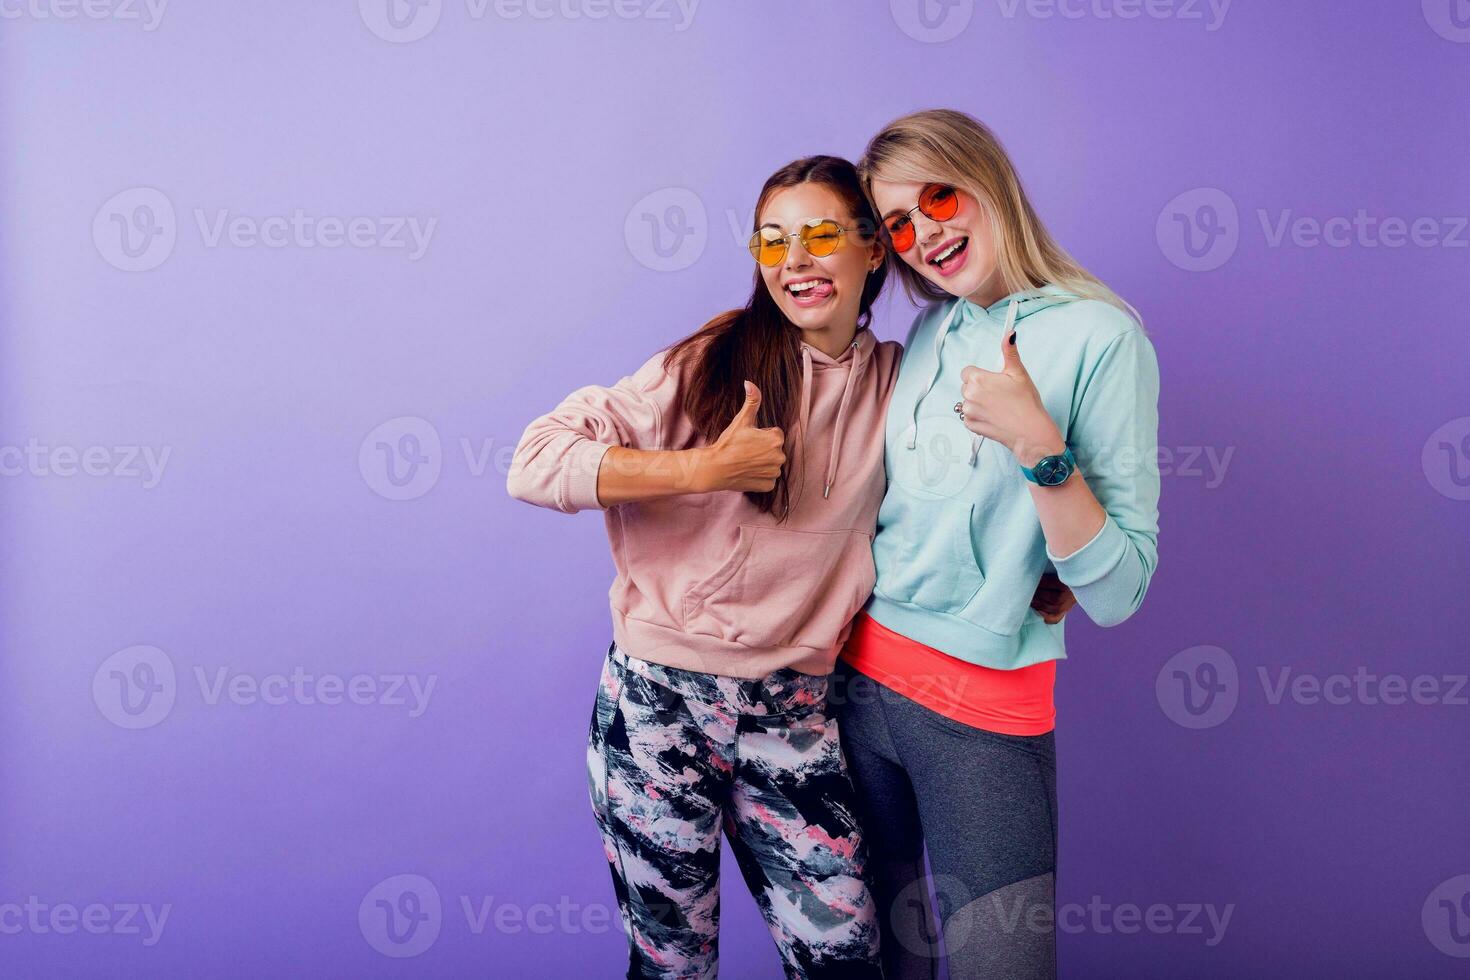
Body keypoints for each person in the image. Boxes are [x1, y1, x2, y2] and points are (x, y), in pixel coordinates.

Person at [833, 108, 1162, 980]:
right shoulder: (929, 336)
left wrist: (1040, 450)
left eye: (939, 198)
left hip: (983, 719)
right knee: (885, 967)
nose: (925, 235)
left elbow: (1120, 592)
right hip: (857, 696)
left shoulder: (1103, 335)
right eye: (900, 223)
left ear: (989, 181)